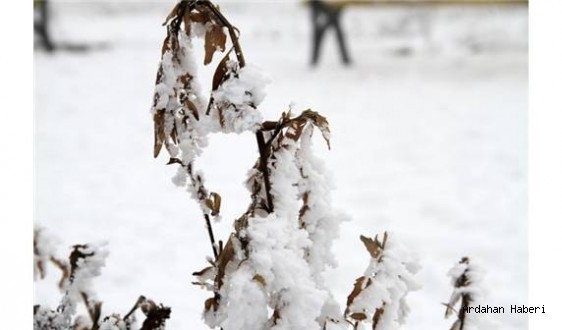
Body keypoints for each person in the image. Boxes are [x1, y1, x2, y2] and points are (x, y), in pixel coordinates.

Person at [308, 0, 351, 66]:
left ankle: (346, 59)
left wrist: (337, 12)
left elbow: (339, 3)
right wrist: (318, 14)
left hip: (333, 13)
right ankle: (314, 60)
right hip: (321, 12)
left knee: (339, 38)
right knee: (318, 38)